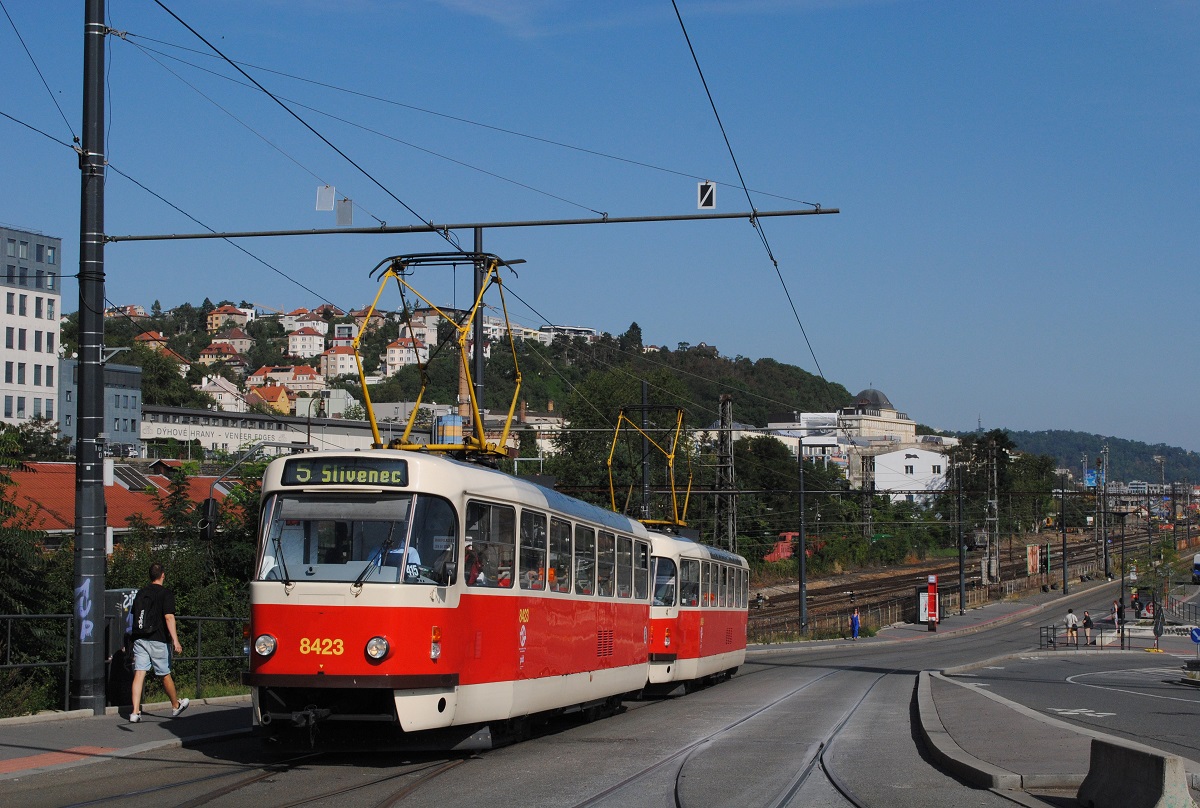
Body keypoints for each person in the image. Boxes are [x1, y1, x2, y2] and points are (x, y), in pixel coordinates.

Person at [129, 562, 189, 723]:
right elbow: (169, 617)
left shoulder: (141, 593)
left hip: (139, 638)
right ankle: (176, 705)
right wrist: (176, 641)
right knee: (164, 674)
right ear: (163, 575)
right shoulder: (166, 594)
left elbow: (133, 615)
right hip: (158, 639)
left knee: (139, 673)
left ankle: (135, 712)